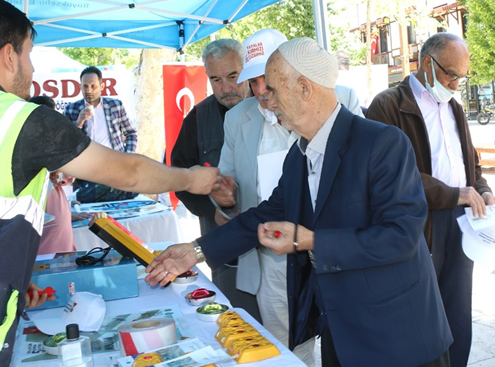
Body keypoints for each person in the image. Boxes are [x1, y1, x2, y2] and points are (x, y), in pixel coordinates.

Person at [0, 0, 219, 367]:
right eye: (29, 54)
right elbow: (128, 172)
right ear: (9, 56)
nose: (31, 69)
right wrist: (192, 178)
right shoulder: (19, 119)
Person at [147, 38, 453, 367]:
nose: (265, 98)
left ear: (304, 89)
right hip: (342, 333)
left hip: (398, 337)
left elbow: (400, 236)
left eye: (273, 89)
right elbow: (263, 216)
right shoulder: (299, 154)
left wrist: (311, 241)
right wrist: (195, 251)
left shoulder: (382, 143)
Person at [211, 29, 363, 366]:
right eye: (254, 81)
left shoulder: (342, 99)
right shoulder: (239, 118)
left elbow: (360, 178)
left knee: (348, 344)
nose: (263, 92)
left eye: (269, 80)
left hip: (333, 252)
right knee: (290, 350)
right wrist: (225, 198)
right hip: (275, 263)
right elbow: (231, 190)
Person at [367, 32, 495, 367]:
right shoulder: (388, 105)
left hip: (461, 220)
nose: (456, 84)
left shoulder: (454, 107)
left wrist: (481, 189)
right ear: (427, 63)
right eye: (451, 74)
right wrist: (455, 194)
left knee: (457, 311)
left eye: (462, 76)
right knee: (419, 314)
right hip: (419, 223)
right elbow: (392, 174)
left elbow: (469, 162)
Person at [169, 38, 261, 321]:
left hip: (273, 241)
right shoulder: (198, 118)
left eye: (233, 76)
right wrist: (212, 212)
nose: (226, 88)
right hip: (223, 243)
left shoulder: (268, 107)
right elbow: (179, 175)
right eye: (216, 79)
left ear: (246, 70)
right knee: (238, 320)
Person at [63, 66, 140, 203]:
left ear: (102, 86)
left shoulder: (115, 105)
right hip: (85, 170)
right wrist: (79, 122)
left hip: (116, 167)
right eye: (85, 86)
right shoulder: (72, 109)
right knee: (88, 213)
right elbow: (66, 143)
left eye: (93, 86)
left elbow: (131, 133)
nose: (89, 91)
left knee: (116, 210)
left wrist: (128, 156)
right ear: (80, 86)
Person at [29, 96, 91, 255]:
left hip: (61, 241)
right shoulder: (30, 148)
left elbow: (66, 175)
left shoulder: (50, 144)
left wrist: (68, 213)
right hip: (45, 248)